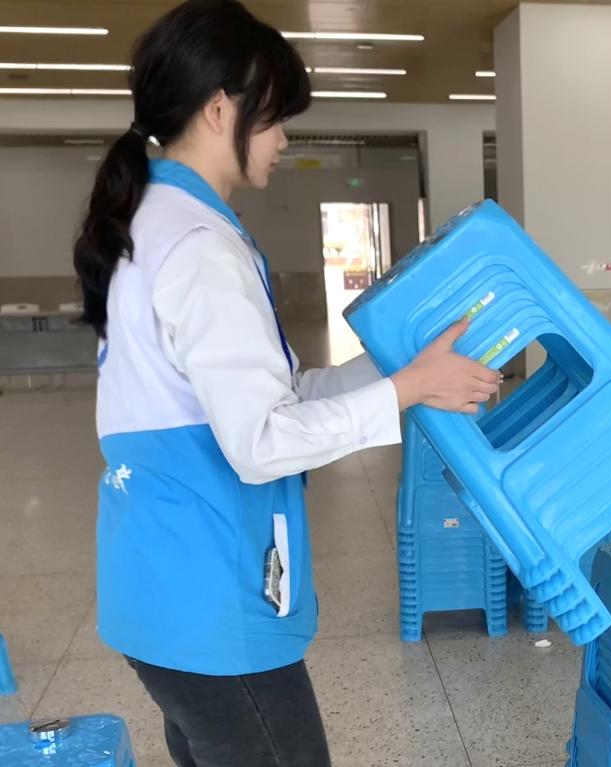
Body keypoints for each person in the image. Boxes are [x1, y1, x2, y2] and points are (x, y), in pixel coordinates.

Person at [71, 1, 499, 765]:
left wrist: (401, 369)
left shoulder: (153, 221)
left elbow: (276, 396)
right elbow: (262, 441)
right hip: (209, 599)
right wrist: (406, 391)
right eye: (273, 119)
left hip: (162, 592)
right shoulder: (200, 244)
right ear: (219, 110)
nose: (283, 140)